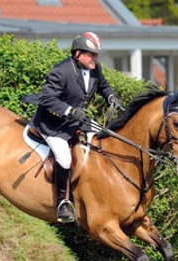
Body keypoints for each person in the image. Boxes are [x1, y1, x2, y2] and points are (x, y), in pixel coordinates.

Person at [30, 31, 121, 223]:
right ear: (78, 53)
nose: (95, 58)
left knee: (104, 139)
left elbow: (104, 86)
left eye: (96, 54)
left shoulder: (95, 69)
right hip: (53, 124)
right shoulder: (61, 71)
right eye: (92, 54)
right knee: (64, 159)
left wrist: (111, 97)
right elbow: (47, 99)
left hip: (77, 121)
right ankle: (63, 202)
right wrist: (70, 110)